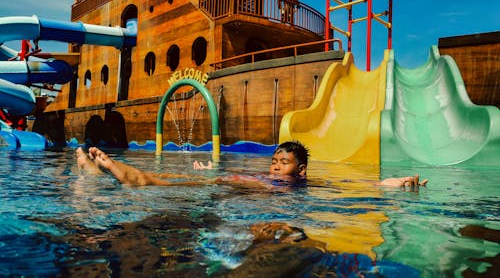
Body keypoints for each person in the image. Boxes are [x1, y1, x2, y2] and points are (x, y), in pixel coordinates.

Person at [76, 141, 427, 188]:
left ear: (301, 170)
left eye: (284, 163)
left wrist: (394, 183)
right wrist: (213, 172)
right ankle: (108, 172)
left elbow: (355, 189)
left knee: (178, 185)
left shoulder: (305, 186)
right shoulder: (269, 178)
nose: (276, 167)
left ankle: (124, 175)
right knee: (176, 176)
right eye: (274, 161)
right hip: (239, 185)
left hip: (246, 190)